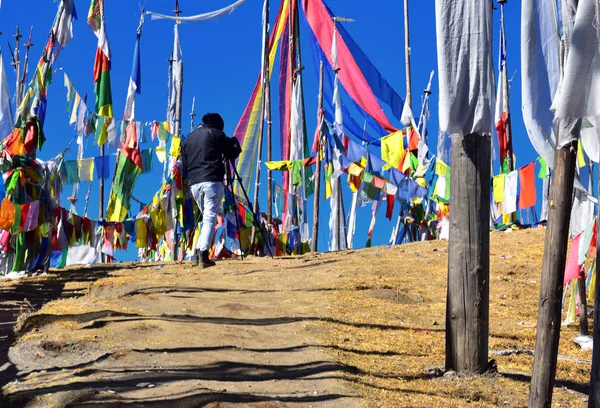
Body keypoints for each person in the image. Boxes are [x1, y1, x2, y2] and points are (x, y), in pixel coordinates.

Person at [181, 113, 241, 268]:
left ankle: (196, 253)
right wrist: (234, 142)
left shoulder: (188, 139)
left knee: (207, 218)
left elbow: (185, 165)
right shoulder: (215, 133)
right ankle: (203, 254)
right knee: (209, 218)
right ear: (218, 125)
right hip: (211, 181)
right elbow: (232, 152)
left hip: (194, 184)